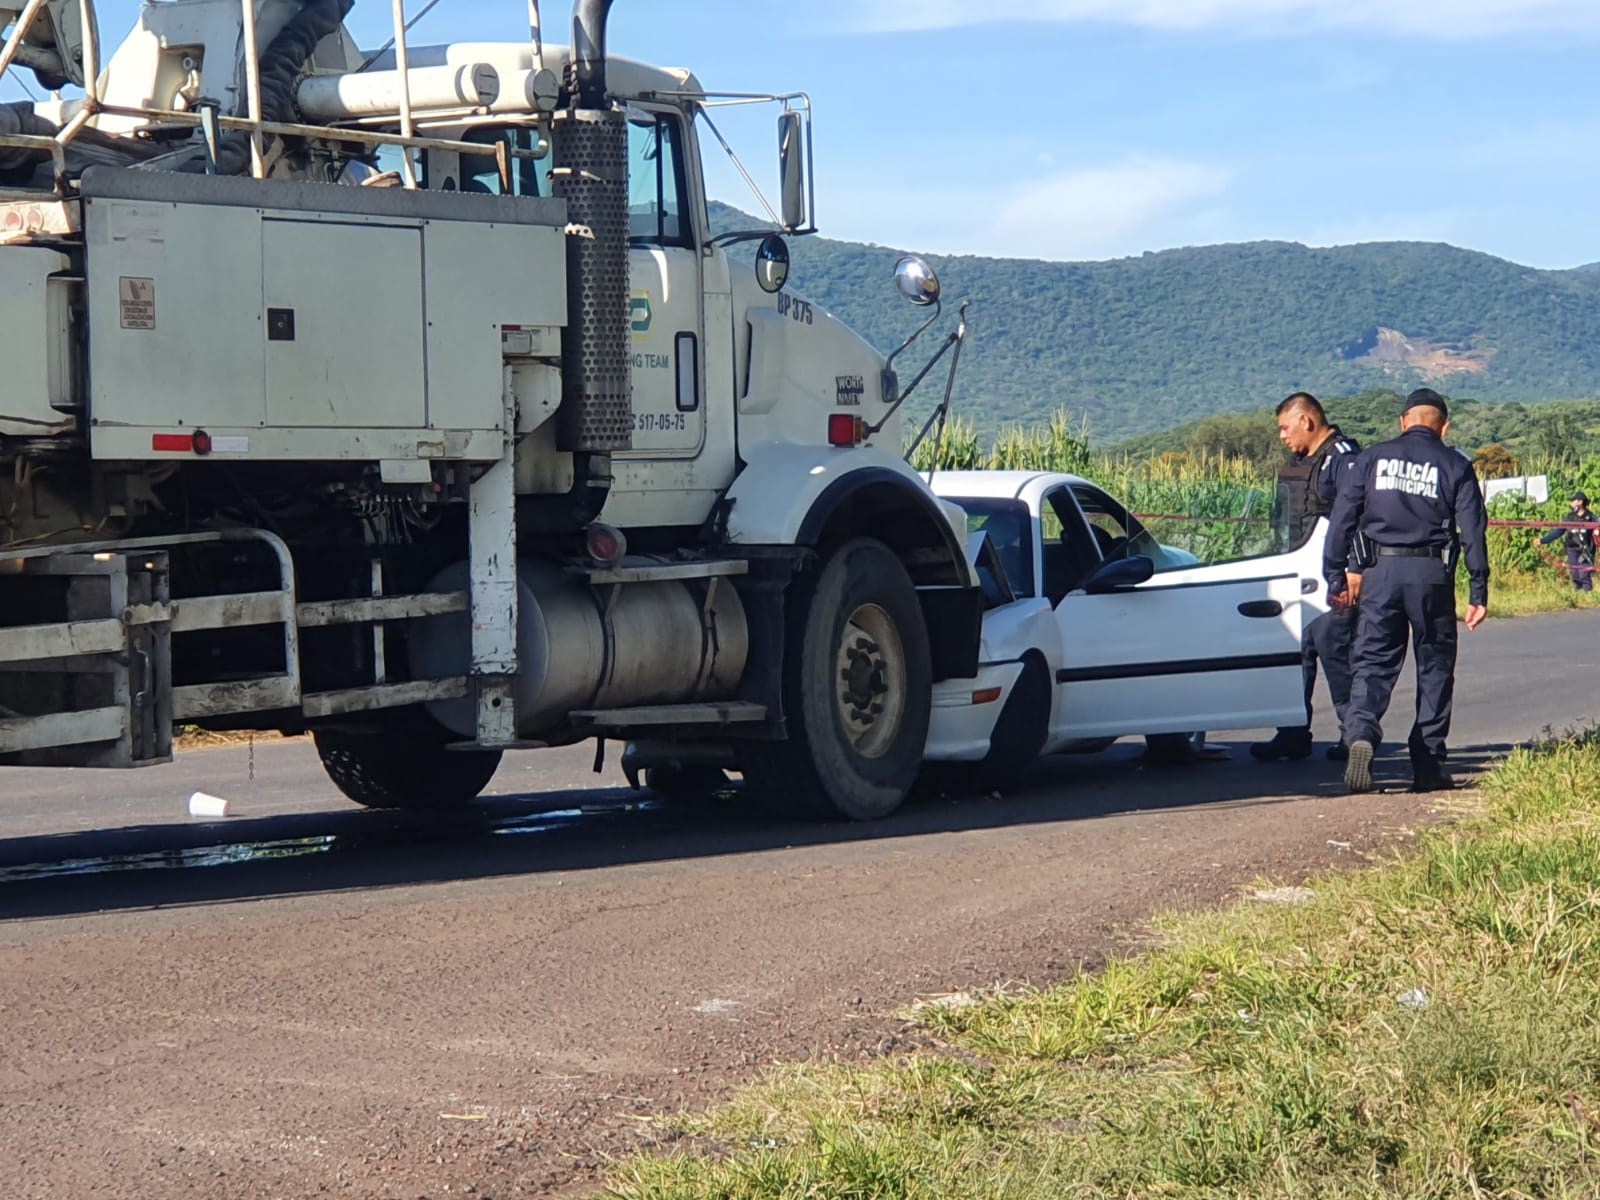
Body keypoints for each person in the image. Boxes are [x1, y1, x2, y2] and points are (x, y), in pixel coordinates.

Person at [1323, 388, 1489, 794]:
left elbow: (1342, 520)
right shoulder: (1455, 465)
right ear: (1444, 426)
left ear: (1403, 421)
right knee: (1434, 667)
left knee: (1373, 661)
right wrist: (1478, 590)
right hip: (1431, 574)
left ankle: (1360, 732)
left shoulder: (1371, 458)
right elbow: (1472, 532)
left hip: (1380, 572)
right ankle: (1428, 764)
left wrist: (1336, 576)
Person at [1251, 393, 1362, 763]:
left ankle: (1354, 737)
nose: (1282, 436)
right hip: (1295, 579)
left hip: (1331, 581)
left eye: (1286, 427)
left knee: (1337, 659)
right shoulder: (1302, 463)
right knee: (1296, 659)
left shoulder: (1343, 458)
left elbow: (1358, 518)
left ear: (1307, 421)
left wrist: (1352, 573)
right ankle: (1292, 734)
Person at [1539, 492, 1596, 592]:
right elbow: (1558, 532)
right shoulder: (1569, 518)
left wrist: (1597, 530)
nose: (1571, 503)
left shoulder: (1591, 517)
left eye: (1573, 501)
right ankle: (1578, 596)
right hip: (1572, 549)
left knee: (1584, 574)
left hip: (1586, 550)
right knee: (1576, 575)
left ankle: (1588, 595)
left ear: (1580, 502)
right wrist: (1542, 540)